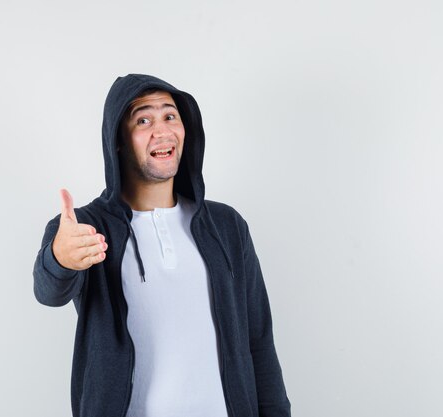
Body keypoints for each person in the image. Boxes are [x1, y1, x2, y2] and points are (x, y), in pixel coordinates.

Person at [33, 74, 291, 417]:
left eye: (170, 116)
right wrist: (59, 258)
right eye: (143, 120)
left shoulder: (226, 226)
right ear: (119, 140)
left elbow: (258, 340)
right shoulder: (84, 227)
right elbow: (49, 290)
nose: (162, 130)